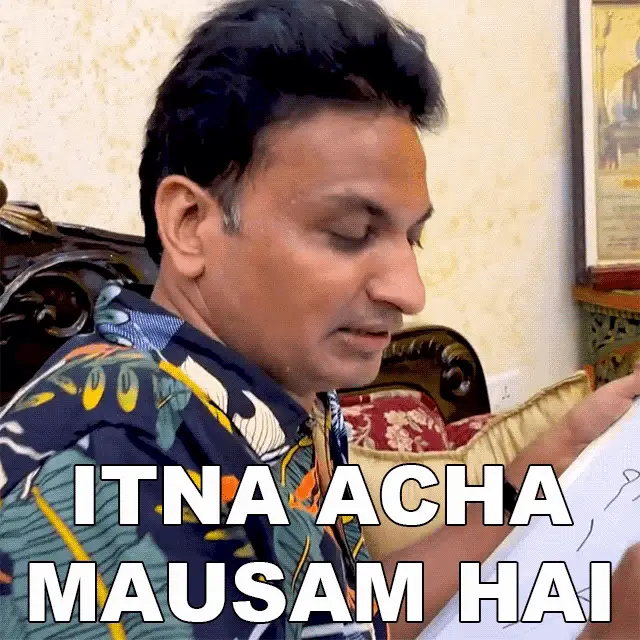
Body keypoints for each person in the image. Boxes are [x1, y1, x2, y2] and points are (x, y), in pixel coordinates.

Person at [0, 0, 639, 638]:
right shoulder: (106, 471)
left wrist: (549, 461)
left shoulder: (273, 394)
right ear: (191, 224)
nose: (410, 291)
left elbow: (343, 614)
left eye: (410, 238)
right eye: (351, 232)